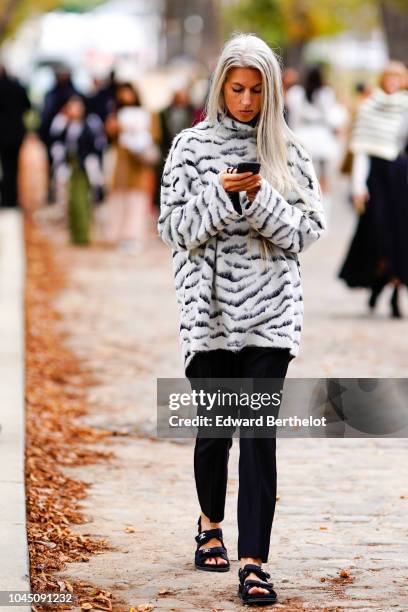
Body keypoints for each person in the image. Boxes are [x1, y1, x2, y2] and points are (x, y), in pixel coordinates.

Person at [157, 33, 325, 606]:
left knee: (258, 435)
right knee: (216, 433)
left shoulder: (290, 151)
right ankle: (209, 523)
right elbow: (173, 229)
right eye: (237, 89)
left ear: (272, 90)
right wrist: (219, 196)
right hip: (207, 314)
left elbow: (307, 232)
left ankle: (254, 562)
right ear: (220, 87)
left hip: (271, 315)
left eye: (257, 90)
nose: (247, 101)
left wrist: (259, 201)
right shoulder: (189, 146)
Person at [338, 61, 408, 317]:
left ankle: (395, 295)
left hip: (399, 176)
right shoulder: (369, 107)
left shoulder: (405, 107)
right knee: (378, 236)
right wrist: (358, 187)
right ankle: (378, 285)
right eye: (389, 78)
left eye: (398, 78)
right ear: (382, 80)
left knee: (400, 238)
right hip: (375, 180)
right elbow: (362, 152)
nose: (393, 83)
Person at [104, 82, 160, 251]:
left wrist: (138, 134)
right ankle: (118, 234)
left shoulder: (148, 114)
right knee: (119, 198)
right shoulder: (115, 114)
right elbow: (109, 138)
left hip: (138, 164)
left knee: (137, 201)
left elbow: (154, 135)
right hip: (121, 162)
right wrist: (114, 128)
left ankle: (133, 236)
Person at [286, 66, 346, 194]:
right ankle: (323, 193)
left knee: (304, 169)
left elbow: (294, 116)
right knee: (323, 171)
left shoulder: (296, 92)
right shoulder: (325, 93)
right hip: (322, 134)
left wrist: (291, 134)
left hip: (303, 133)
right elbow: (329, 114)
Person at [0, 65, 31, 207]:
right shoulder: (16, 86)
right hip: (15, 134)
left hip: (6, 134)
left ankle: (7, 198)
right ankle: (11, 198)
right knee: (12, 168)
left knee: (7, 167)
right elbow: (27, 106)